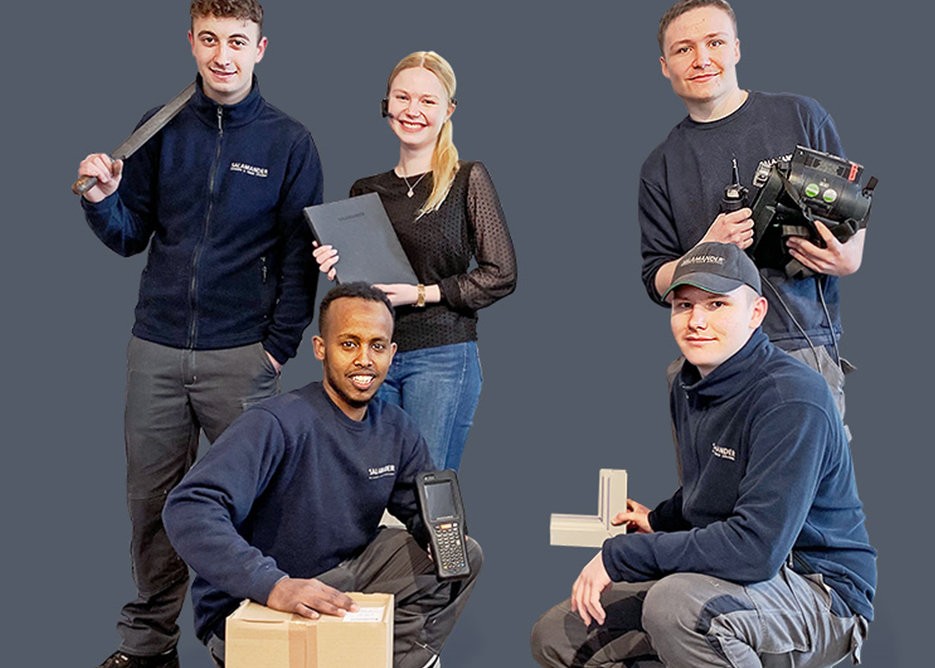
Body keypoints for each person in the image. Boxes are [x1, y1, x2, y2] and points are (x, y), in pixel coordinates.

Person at [75, 2, 323, 666]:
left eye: (236, 41)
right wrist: (101, 201)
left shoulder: (288, 142)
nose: (223, 55)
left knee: (253, 506)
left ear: (260, 48)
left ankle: (241, 641)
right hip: (155, 348)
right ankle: (150, 645)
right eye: (210, 39)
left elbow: (302, 258)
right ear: (191, 41)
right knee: (151, 504)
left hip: (242, 355)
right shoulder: (159, 128)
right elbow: (131, 236)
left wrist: (277, 345)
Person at [530, 242, 875, 667]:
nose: (696, 321)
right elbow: (716, 485)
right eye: (683, 305)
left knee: (677, 609)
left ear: (756, 313)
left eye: (716, 304)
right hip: (735, 578)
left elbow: (755, 548)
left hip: (821, 593)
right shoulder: (688, 380)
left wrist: (620, 556)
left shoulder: (792, 398)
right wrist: (657, 521)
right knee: (558, 632)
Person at [163, 283, 483, 668]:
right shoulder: (277, 423)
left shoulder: (396, 428)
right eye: (349, 344)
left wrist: (433, 532)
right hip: (258, 597)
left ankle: (389, 658)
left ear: (391, 353)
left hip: (342, 575)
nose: (364, 359)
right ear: (320, 348)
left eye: (377, 346)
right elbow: (188, 507)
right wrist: (273, 584)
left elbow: (420, 507)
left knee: (464, 555)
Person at [639, 0, 867, 418]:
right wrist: (708, 249)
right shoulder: (661, 165)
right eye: (684, 49)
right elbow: (656, 280)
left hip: (803, 346)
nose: (702, 59)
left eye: (715, 42)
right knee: (712, 485)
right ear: (664, 65)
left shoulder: (801, 116)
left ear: (737, 49)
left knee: (808, 483)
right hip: (711, 356)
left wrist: (850, 256)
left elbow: (852, 209)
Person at [313, 50, 517, 470]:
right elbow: (364, 294)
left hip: (441, 355)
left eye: (427, 101)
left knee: (426, 489)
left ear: (448, 110)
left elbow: (502, 273)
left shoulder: (466, 179)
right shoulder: (366, 189)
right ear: (386, 105)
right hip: (374, 355)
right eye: (402, 98)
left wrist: (422, 293)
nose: (413, 110)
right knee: (369, 483)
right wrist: (340, 271)